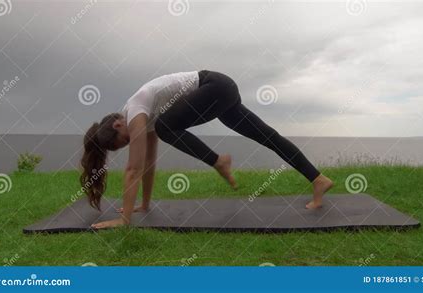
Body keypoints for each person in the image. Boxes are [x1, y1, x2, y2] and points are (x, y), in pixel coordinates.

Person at [81, 70, 333, 229]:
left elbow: (132, 168)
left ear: (117, 123)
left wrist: (124, 221)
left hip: (214, 87)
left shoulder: (136, 111)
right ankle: (318, 178)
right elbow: (147, 163)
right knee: (267, 136)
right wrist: (144, 205)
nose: (128, 144)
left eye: (123, 141)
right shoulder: (142, 116)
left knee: (165, 127)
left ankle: (219, 162)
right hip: (222, 91)